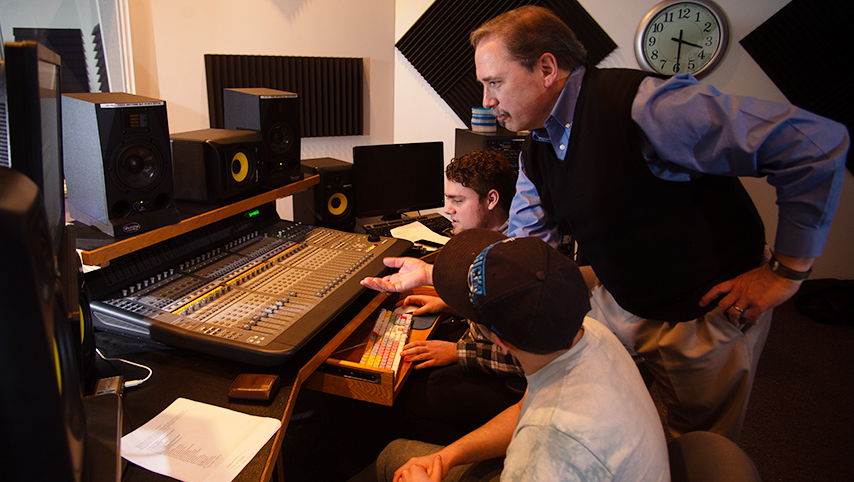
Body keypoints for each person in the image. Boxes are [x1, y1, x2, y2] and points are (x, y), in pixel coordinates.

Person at [467, 5, 850, 442]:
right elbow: (527, 244)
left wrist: (786, 272)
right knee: (601, 415)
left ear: (547, 68)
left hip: (703, 315)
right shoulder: (537, 147)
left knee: (701, 446)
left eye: (494, 82)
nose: (487, 101)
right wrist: (459, 285)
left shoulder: (649, 106)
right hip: (623, 303)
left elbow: (815, 145)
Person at [353, 229, 669, 482]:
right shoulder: (589, 333)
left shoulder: (543, 452)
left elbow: (542, 440)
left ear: (500, 341)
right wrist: (448, 455)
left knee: (391, 457)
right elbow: (526, 408)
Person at [394, 149, 524, 444]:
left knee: (410, 396)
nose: (447, 210)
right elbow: (485, 304)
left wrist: (456, 354)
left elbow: (524, 360)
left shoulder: (514, 260)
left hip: (510, 382)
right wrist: (449, 302)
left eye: (457, 201)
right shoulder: (483, 241)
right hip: (478, 344)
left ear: (491, 200)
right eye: (447, 199)